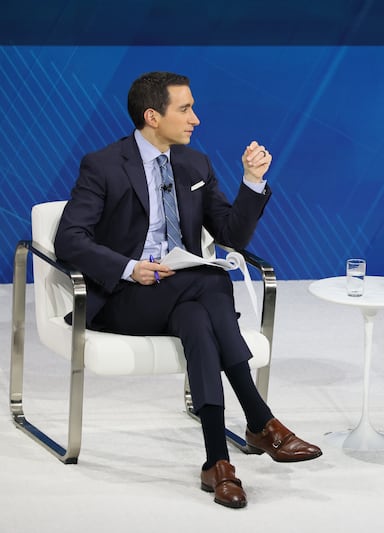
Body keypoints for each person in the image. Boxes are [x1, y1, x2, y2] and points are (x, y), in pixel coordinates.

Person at [54, 71, 322, 508]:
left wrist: (252, 181)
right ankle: (260, 420)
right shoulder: (103, 165)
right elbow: (69, 239)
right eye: (185, 109)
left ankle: (217, 464)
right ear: (152, 116)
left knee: (198, 318)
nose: (195, 118)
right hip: (124, 297)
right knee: (212, 279)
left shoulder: (195, 164)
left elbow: (231, 236)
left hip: (183, 294)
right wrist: (130, 268)